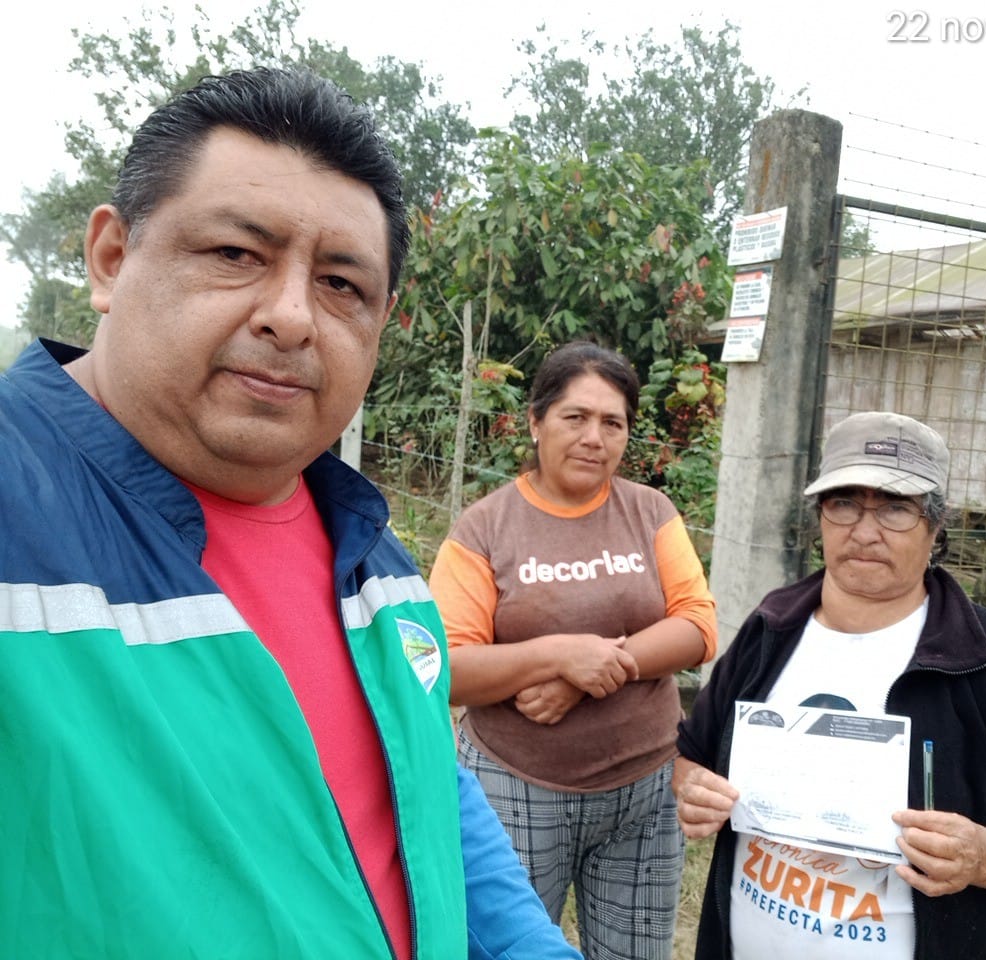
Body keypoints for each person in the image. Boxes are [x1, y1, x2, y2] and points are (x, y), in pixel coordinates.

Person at [0, 67, 579, 960]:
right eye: (236, 254)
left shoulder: (372, 552)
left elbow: (422, 788)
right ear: (112, 258)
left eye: (342, 284)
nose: (292, 316)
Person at [674, 411, 986, 960]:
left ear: (936, 525)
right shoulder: (771, 629)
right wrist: (695, 791)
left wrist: (984, 856)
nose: (864, 531)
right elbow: (690, 758)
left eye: (896, 508)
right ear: (820, 515)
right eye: (843, 503)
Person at [428, 341, 718, 960]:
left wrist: (585, 676)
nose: (594, 438)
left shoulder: (650, 511)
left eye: (613, 423)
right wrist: (557, 654)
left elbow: (697, 627)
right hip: (515, 788)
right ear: (536, 422)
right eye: (575, 417)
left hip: (644, 791)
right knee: (512, 949)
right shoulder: (485, 528)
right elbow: (445, 668)